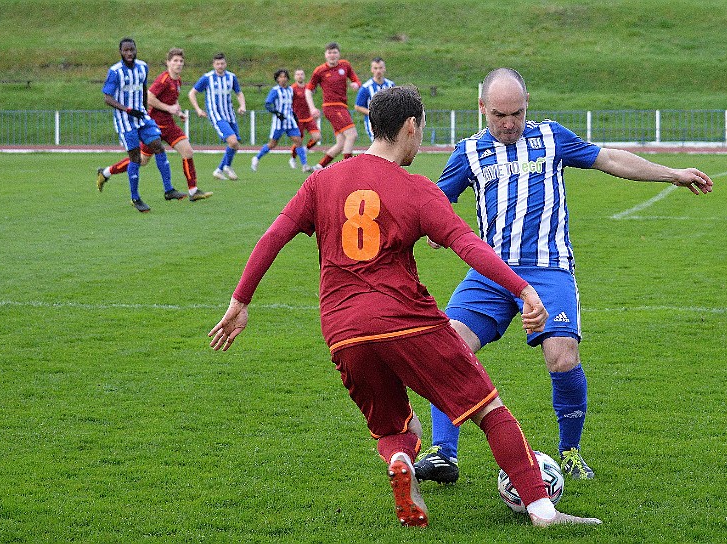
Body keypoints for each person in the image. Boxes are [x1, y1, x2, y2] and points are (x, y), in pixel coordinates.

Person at [208, 86, 601, 529]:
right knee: (489, 411)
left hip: (342, 329)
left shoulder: (322, 181)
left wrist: (240, 301)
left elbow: (273, 236)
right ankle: (542, 510)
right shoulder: (415, 190)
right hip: (406, 320)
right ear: (411, 127)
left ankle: (401, 460)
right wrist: (524, 290)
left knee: (396, 426)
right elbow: (468, 245)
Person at [415, 68, 714, 484]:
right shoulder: (467, 152)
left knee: (562, 356)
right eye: (499, 114)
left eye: (516, 113)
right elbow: (434, 202)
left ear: (527, 104)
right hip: (490, 273)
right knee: (447, 348)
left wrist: (673, 174)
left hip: (548, 268)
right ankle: (443, 453)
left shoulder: (551, 137)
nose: (508, 123)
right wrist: (434, 227)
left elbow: (608, 158)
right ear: (482, 108)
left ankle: (569, 451)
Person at [97, 47, 212, 202]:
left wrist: (177, 112)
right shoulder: (163, 80)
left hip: (169, 125)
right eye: (175, 61)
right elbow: (150, 97)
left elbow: (172, 100)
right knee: (140, 161)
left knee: (188, 152)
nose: (178, 64)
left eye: (181, 61)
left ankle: (193, 191)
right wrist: (169, 108)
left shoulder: (177, 80)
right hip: (154, 125)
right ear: (168, 63)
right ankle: (106, 173)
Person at [99, 38, 186, 212]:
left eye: (132, 50)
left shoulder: (142, 67)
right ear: (120, 52)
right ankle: (135, 198)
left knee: (158, 147)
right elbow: (107, 98)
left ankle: (168, 190)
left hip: (141, 117)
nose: (129, 53)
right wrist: (128, 110)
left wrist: (145, 111)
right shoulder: (115, 72)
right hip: (126, 120)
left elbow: (144, 89)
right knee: (136, 158)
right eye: (126, 51)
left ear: (136, 50)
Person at [188, 52, 246, 181]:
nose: (220, 66)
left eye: (222, 63)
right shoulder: (207, 78)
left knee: (235, 144)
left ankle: (219, 170)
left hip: (230, 114)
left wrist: (242, 106)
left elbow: (239, 93)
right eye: (217, 64)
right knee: (233, 141)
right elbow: (192, 93)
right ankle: (227, 167)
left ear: (225, 64)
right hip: (216, 115)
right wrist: (198, 109)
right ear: (214, 65)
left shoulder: (231, 77)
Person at [305, 42, 361, 170]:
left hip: (342, 107)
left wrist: (356, 85)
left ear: (339, 54)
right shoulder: (320, 71)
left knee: (341, 143)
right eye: (329, 53)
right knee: (352, 135)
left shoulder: (345, 65)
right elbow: (308, 90)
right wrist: (312, 108)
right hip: (331, 107)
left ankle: (318, 167)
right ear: (325, 55)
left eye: (335, 52)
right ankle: (349, 169)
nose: (332, 55)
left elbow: (355, 80)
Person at [251, 69, 310, 173]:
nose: (283, 79)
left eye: (285, 76)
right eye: (281, 77)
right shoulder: (275, 90)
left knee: (298, 141)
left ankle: (304, 165)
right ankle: (256, 158)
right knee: (272, 144)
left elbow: (291, 104)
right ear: (277, 79)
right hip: (279, 122)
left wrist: (294, 115)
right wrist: (277, 113)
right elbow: (268, 104)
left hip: (290, 121)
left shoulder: (290, 90)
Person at [354, 57, 395, 142]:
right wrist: (373, 113)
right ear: (372, 70)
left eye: (380, 68)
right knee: (380, 145)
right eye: (375, 68)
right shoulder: (366, 87)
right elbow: (358, 106)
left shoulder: (391, 85)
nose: (378, 71)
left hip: (389, 121)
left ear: (384, 69)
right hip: (373, 123)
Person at [288, 69, 322, 170]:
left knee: (317, 137)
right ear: (295, 77)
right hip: (298, 119)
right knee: (298, 141)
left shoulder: (308, 87)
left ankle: (305, 149)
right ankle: (293, 158)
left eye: (302, 74)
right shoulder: (292, 88)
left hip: (309, 118)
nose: (300, 76)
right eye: (297, 74)